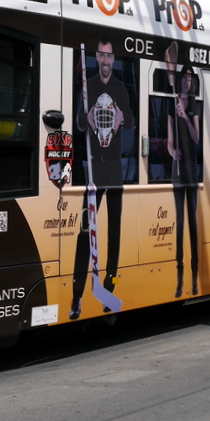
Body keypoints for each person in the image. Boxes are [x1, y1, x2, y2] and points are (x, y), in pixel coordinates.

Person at [70, 38, 134, 320]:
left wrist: (121, 117)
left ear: (113, 59)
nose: (106, 60)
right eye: (102, 56)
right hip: (94, 167)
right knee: (86, 230)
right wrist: (86, 118)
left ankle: (109, 289)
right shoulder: (88, 87)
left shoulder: (120, 88)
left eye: (109, 56)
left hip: (115, 168)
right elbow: (78, 123)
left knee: (114, 231)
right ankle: (76, 296)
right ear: (96, 58)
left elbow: (131, 121)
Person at [168, 65, 201, 297]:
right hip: (178, 170)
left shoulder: (193, 106)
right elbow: (170, 142)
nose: (187, 81)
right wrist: (173, 152)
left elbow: (196, 138)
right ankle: (179, 278)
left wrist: (186, 118)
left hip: (192, 169)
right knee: (179, 222)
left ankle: (195, 276)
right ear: (180, 80)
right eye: (185, 78)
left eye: (190, 78)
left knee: (193, 222)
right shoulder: (172, 104)